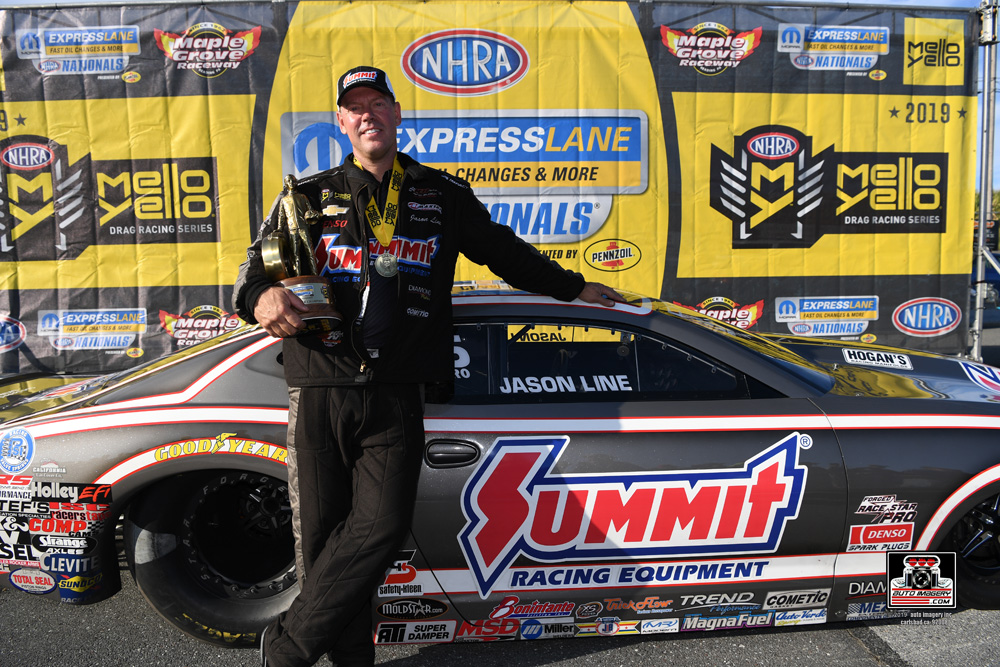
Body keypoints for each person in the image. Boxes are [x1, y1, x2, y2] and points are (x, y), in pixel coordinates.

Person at [232, 65, 625, 667]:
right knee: (320, 544)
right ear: (341, 122)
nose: (368, 115)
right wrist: (259, 296)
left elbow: (504, 253)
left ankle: (285, 651)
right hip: (319, 386)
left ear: (396, 114)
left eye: (378, 104)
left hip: (397, 390)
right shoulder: (305, 196)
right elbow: (253, 273)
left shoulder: (440, 195)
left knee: (380, 530)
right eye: (355, 107)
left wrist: (573, 289)